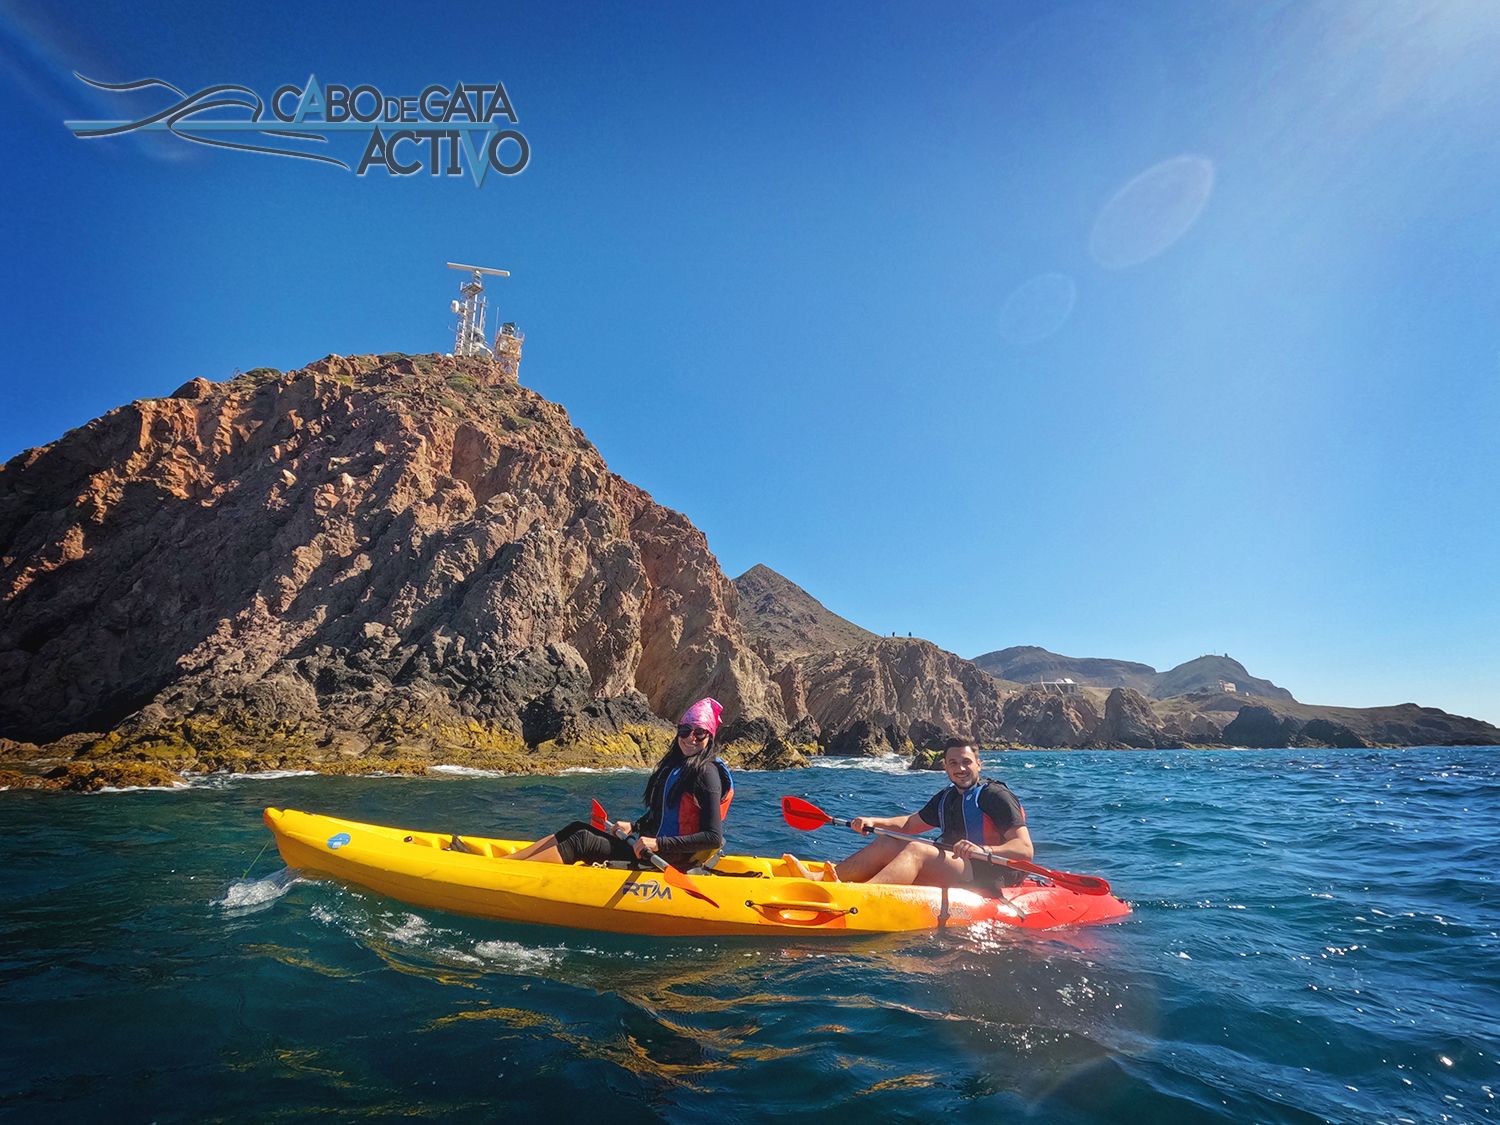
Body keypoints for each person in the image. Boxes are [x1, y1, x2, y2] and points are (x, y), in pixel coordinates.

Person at [503, 697, 733, 870]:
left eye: (699, 733)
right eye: (684, 730)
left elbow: (712, 837)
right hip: (650, 848)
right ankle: (506, 864)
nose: (690, 737)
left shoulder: (706, 773)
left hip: (667, 858)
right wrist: (635, 826)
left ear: (710, 736)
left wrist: (658, 844)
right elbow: (664, 813)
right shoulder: (678, 766)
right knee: (577, 827)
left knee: (582, 841)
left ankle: (512, 875)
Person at [788, 737, 1031, 893]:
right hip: (958, 866)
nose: (960, 768)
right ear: (945, 767)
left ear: (979, 764)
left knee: (917, 849)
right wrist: (873, 821)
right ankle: (822, 880)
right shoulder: (946, 797)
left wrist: (983, 849)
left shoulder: (995, 796)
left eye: (966, 762)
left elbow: (1024, 849)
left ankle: (860, 896)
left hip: (990, 873)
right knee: (888, 841)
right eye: (953, 763)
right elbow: (908, 824)